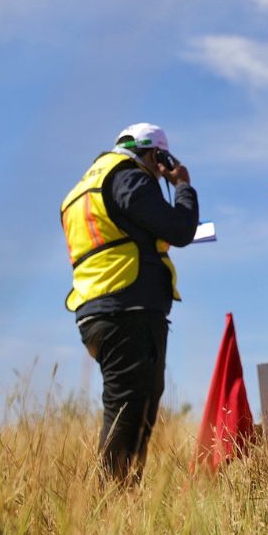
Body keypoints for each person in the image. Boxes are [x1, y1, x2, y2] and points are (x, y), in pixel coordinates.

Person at [60, 123, 198, 484]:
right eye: (159, 161)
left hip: (95, 309)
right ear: (157, 155)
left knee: (134, 404)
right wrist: (182, 185)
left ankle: (122, 499)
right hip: (127, 308)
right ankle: (113, 503)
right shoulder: (128, 178)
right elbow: (181, 229)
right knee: (128, 410)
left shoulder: (85, 186)